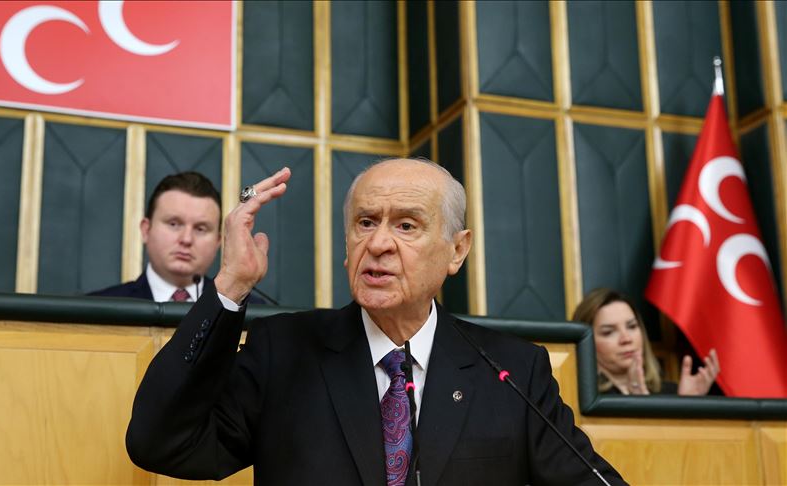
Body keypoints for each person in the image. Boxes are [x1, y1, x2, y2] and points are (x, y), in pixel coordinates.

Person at [125, 159, 626, 485]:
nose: (379, 243)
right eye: (365, 223)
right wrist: (231, 284)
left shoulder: (513, 371)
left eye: (406, 225)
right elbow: (160, 443)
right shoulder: (285, 352)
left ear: (457, 250)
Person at [89, 172, 265, 304]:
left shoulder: (251, 312)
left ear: (218, 242)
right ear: (146, 230)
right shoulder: (98, 308)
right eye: (174, 224)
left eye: (200, 228)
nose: (186, 239)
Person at [572, 288, 720, 396]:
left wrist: (687, 405)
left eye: (632, 326)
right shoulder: (577, 398)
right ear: (585, 343)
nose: (626, 339)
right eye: (608, 332)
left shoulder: (671, 393)